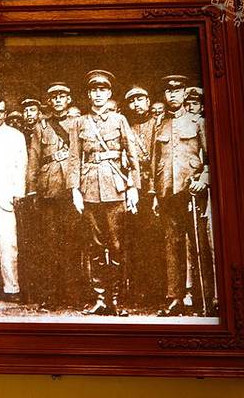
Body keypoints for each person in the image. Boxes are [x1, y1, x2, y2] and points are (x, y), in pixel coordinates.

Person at [67, 70, 140, 316]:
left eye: (103, 90)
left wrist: (133, 187)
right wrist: (75, 190)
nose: (98, 94)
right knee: (95, 245)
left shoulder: (119, 120)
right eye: (94, 90)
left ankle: (116, 299)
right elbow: (74, 158)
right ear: (89, 94)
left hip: (115, 188)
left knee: (116, 245)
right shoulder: (80, 122)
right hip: (89, 189)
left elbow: (131, 155)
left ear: (109, 94)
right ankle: (100, 299)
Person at [150, 75, 213, 317]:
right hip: (168, 192)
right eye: (168, 91)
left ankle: (204, 297)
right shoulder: (160, 124)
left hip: (192, 191)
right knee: (171, 244)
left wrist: (203, 179)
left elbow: (210, 157)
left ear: (184, 93)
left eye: (177, 90)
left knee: (199, 245)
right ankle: (174, 298)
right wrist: (155, 194)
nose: (172, 95)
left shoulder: (197, 123)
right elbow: (155, 162)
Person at [26, 82, 83, 311]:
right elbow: (34, 158)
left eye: (62, 96)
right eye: (54, 97)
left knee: (72, 243)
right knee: (49, 244)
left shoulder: (78, 122)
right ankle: (50, 296)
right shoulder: (41, 126)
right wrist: (32, 189)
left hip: (71, 189)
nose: (58, 100)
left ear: (69, 99)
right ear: (49, 102)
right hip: (48, 190)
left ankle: (73, 295)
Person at [123, 86, 164, 308]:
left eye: (140, 99)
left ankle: (157, 292)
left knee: (155, 239)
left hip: (153, 187)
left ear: (148, 101)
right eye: (132, 101)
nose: (136, 104)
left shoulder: (159, 124)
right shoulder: (125, 126)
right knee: (133, 239)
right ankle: (137, 292)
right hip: (133, 187)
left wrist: (155, 190)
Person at [0, 97, 27, 302]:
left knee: (8, 243)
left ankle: (12, 288)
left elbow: (21, 166)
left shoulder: (15, 136)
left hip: (5, 195)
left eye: (0, 111)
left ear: (5, 113)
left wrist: (18, 192)